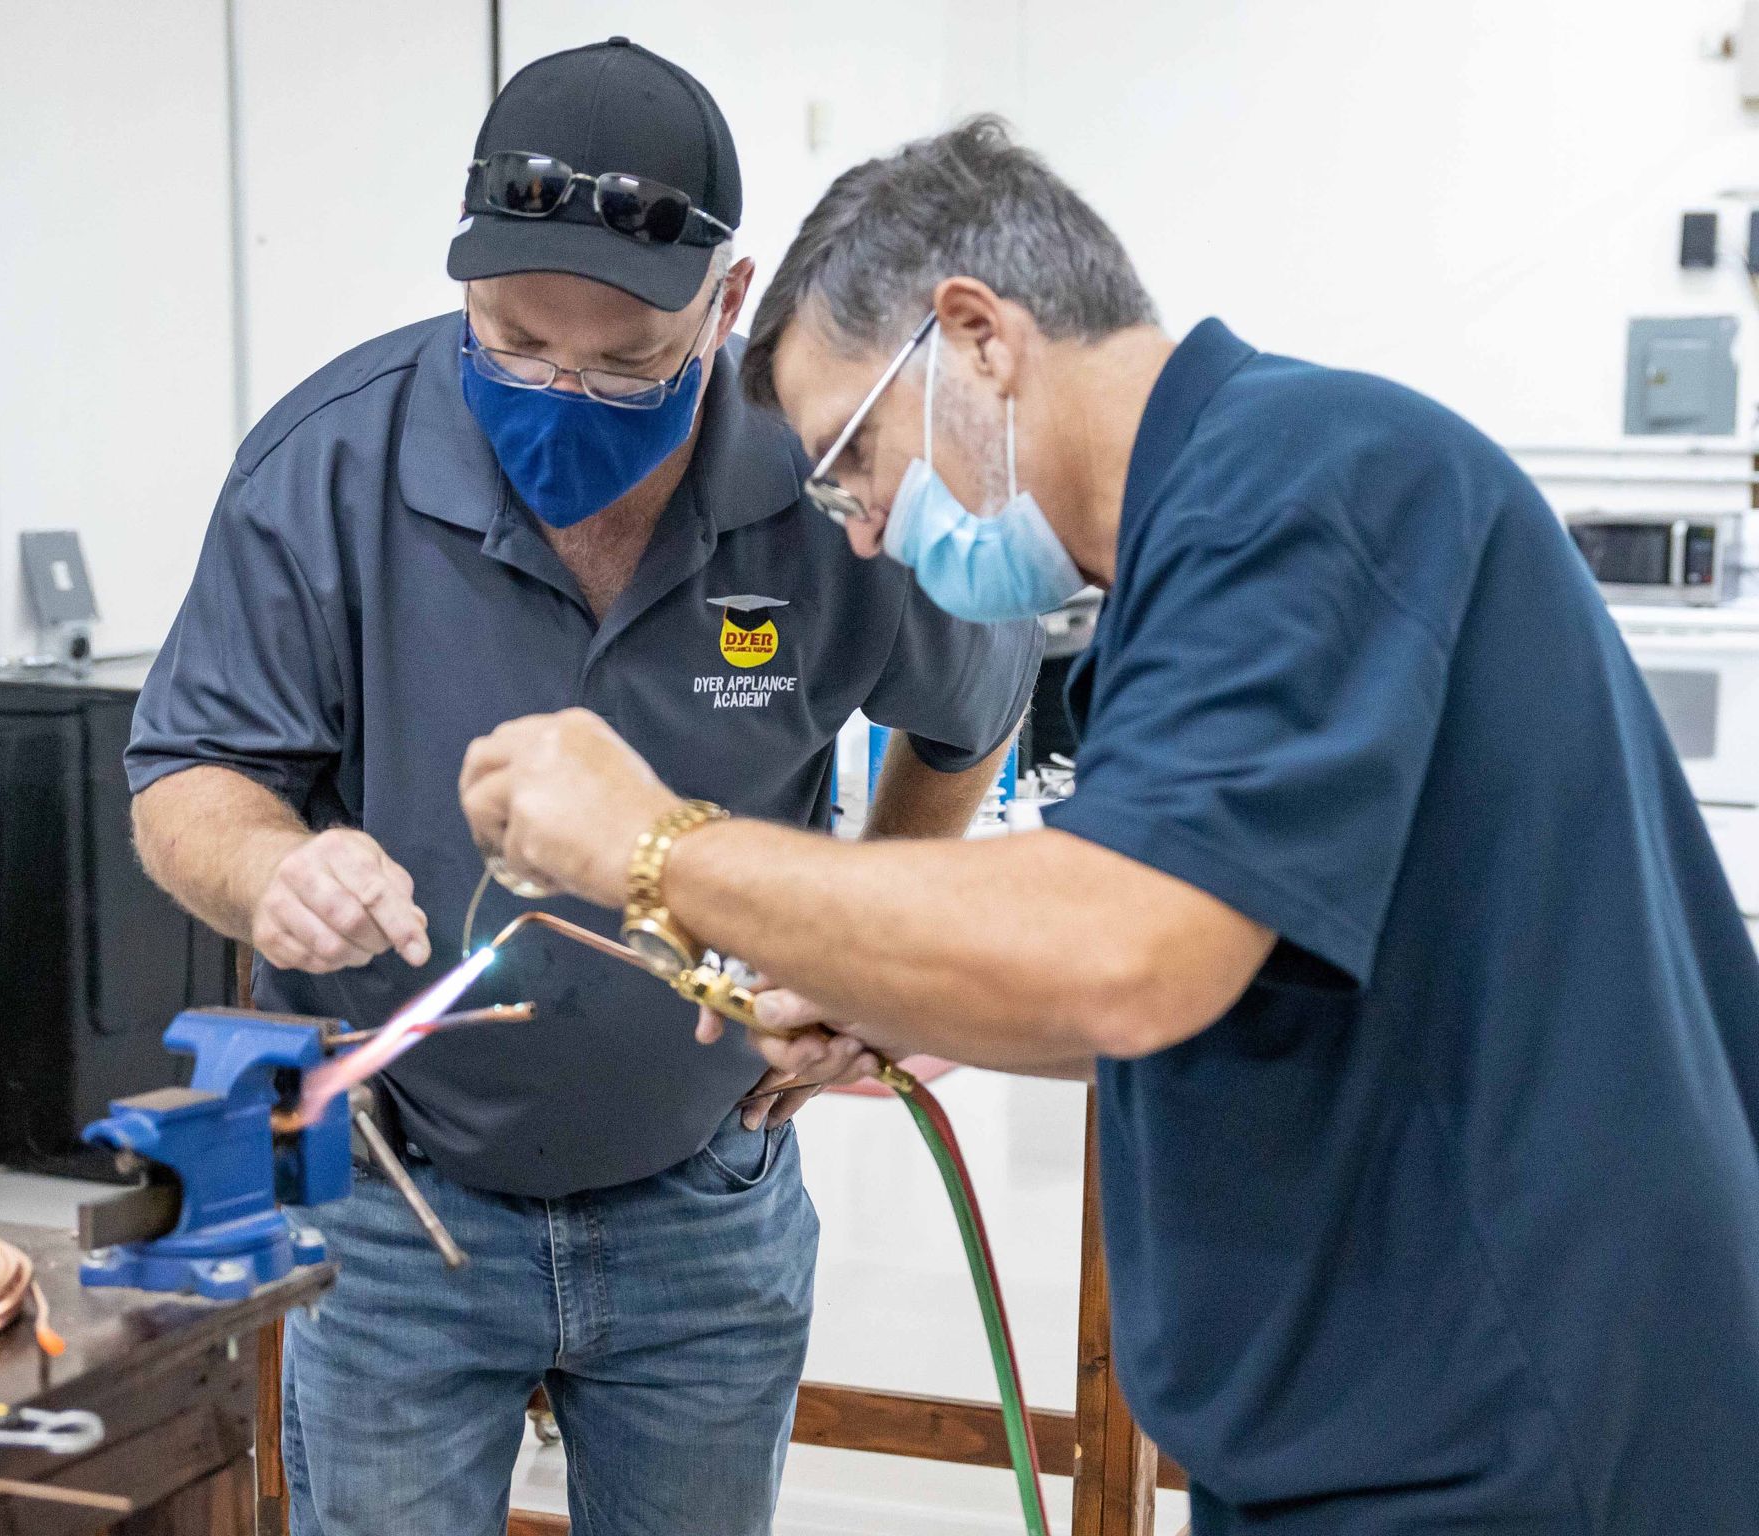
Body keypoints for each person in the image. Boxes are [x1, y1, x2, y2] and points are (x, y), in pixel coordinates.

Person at [457, 117, 1759, 1532]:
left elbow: (1126, 956)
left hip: (1508, 1439)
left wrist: (661, 846)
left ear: (976, 337)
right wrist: (893, 985)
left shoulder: (1308, 484)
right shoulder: (1200, 547)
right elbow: (1226, 973)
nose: (864, 531)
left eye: (853, 460)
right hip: (1375, 1429)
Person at [125, 47, 1040, 1534]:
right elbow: (189, 774)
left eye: (623, 368)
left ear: (726, 307)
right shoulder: (326, 465)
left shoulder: (826, 471)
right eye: (513, 345)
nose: (562, 397)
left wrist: (862, 955)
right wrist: (271, 869)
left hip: (707, 1199)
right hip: (396, 1207)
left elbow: (969, 718)